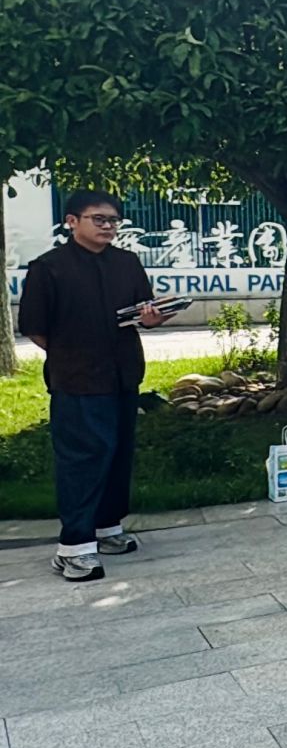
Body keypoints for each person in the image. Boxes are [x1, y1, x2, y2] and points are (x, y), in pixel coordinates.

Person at [20, 191, 164, 582]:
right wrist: (72, 352)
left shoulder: (126, 263)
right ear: (71, 221)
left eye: (113, 220)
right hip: (78, 379)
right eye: (98, 219)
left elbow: (143, 311)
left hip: (123, 374)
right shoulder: (49, 268)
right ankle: (74, 548)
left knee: (117, 455)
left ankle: (107, 528)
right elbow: (34, 327)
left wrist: (153, 317)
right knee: (83, 460)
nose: (108, 226)